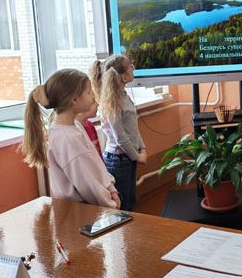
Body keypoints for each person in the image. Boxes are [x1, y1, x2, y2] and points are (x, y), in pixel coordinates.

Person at [21, 68, 120, 209]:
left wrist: (110, 188)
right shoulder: (67, 139)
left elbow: (96, 164)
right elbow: (87, 184)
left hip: (91, 208)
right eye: (89, 92)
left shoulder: (76, 126)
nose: (93, 97)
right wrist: (110, 205)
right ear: (74, 100)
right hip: (81, 212)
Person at [90, 55, 148, 211]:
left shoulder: (124, 96)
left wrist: (142, 148)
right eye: (130, 67)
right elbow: (120, 137)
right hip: (119, 160)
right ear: (123, 77)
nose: (133, 68)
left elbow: (132, 128)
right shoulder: (112, 102)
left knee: (130, 201)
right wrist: (137, 156)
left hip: (127, 158)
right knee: (124, 206)